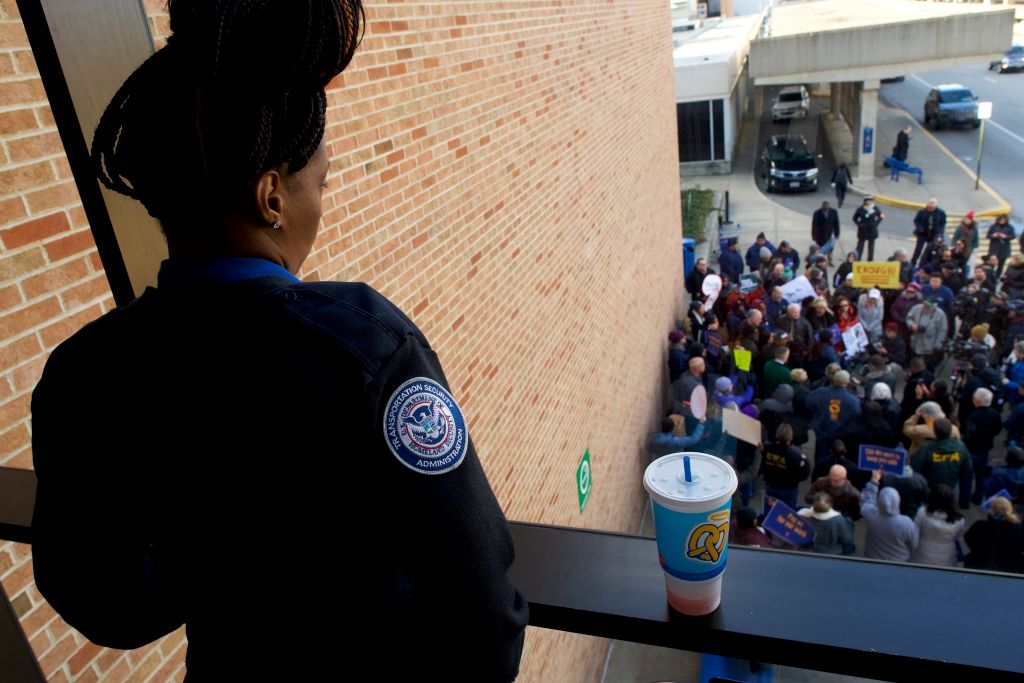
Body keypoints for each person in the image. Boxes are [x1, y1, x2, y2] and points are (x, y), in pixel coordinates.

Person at [28, 3, 529, 679]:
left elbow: (103, 598)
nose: (320, 200)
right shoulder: (364, 350)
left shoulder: (84, 373)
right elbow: (485, 617)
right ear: (271, 198)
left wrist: (212, 551)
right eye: (318, 183)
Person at [913, 418, 973, 509]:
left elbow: (915, 467)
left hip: (931, 488)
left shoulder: (927, 447)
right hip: (951, 487)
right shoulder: (961, 447)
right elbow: (967, 471)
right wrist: (965, 500)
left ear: (935, 431)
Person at [860, 470, 919, 562]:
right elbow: (914, 544)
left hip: (872, 558)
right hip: (898, 561)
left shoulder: (869, 514)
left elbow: (867, 499)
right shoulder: (906, 523)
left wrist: (874, 480)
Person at [806, 369, 861, 463]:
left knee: (821, 458)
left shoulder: (819, 393)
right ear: (847, 382)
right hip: (841, 433)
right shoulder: (853, 400)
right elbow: (856, 415)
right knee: (839, 460)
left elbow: (808, 403)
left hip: (822, 431)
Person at [964, 497, 1024, 573]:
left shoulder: (980, 526)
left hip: (978, 566)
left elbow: (968, 538)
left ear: (992, 510)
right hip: (1009, 570)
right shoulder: (1017, 529)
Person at [911, 485, 966, 568]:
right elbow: (957, 536)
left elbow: (915, 531)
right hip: (947, 557)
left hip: (922, 553)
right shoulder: (959, 520)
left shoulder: (922, 513)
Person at [964, 388, 1002, 505]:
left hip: (972, 449)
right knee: (981, 475)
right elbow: (998, 429)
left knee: (967, 475)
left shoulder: (973, 416)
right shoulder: (995, 414)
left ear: (977, 400)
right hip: (985, 448)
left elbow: (969, 434)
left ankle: (964, 499)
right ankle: (978, 497)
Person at [760, 423, 809, 510]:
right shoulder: (795, 455)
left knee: (769, 512)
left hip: (770, 486)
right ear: (790, 437)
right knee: (785, 514)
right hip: (788, 489)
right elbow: (803, 475)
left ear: (776, 435)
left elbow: (761, 466)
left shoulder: (767, 449)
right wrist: (805, 461)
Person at [905, 298, 948, 366]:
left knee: (928, 365)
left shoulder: (940, 314)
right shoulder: (916, 308)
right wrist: (912, 325)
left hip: (929, 346)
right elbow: (908, 318)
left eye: (928, 305)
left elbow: (942, 331)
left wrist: (937, 345)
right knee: (914, 363)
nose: (925, 306)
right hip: (915, 341)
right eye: (924, 304)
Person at [912, 198, 947, 268]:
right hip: (923, 234)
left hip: (933, 235)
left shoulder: (941, 213)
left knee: (929, 250)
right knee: (918, 249)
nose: (931, 206)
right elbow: (916, 221)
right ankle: (913, 262)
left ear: (936, 205)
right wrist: (920, 229)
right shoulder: (922, 212)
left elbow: (943, 223)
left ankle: (925, 264)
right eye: (930, 203)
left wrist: (940, 232)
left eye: (933, 204)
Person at [853, 196, 884, 262]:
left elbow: (881, 216)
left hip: (872, 230)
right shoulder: (860, 209)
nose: (869, 202)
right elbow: (854, 218)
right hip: (863, 230)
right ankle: (858, 260)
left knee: (871, 247)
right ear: (864, 201)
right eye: (867, 200)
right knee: (860, 247)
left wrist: (875, 224)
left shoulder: (875, 208)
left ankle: (870, 261)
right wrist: (859, 225)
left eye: (870, 200)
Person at [811, 200, 840, 265]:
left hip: (830, 234)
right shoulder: (817, 213)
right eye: (825, 206)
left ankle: (830, 261)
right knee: (821, 249)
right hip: (820, 235)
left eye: (828, 206)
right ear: (822, 206)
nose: (826, 207)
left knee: (830, 248)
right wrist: (814, 236)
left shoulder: (834, 212)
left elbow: (836, 224)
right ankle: (821, 261)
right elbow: (814, 225)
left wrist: (837, 234)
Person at [986, 214, 1014, 278]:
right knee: (991, 263)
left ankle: (997, 277)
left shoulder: (1009, 227)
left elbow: (1013, 236)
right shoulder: (993, 226)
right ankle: (990, 276)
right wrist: (994, 235)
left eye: (1004, 220)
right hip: (994, 248)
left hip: (1004, 248)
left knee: (1001, 264)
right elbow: (988, 235)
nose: (1002, 221)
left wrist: (1006, 236)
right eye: (1001, 220)